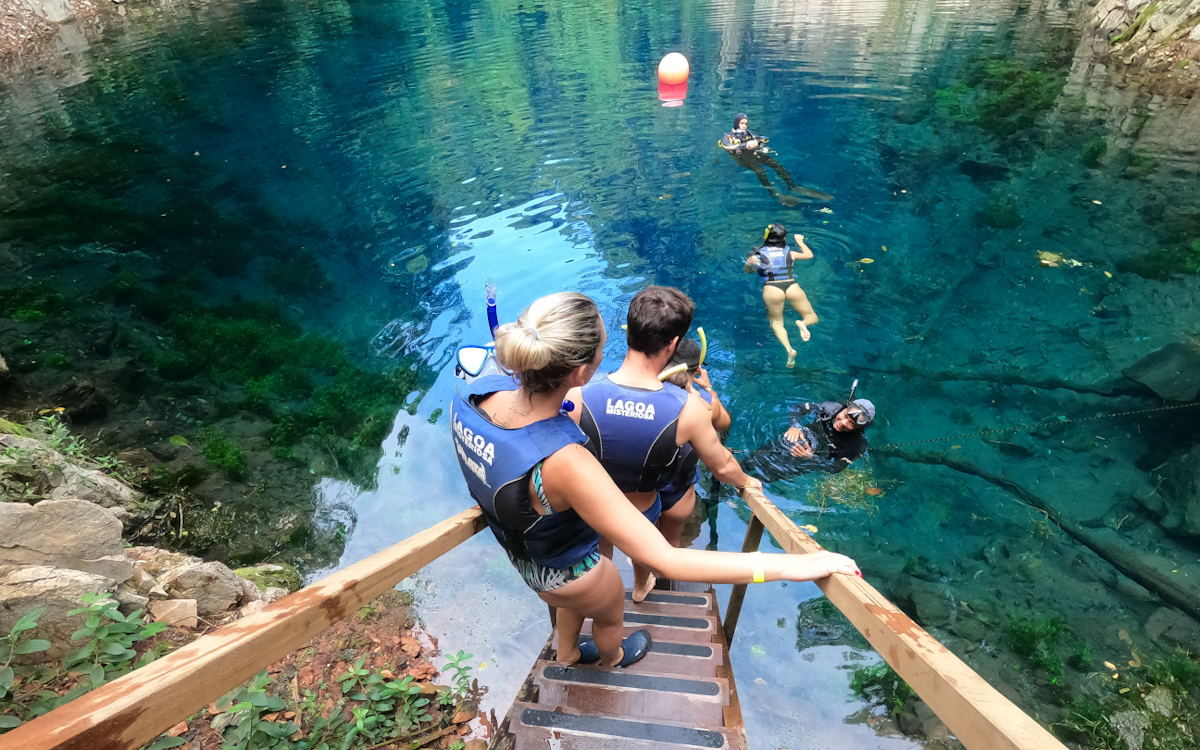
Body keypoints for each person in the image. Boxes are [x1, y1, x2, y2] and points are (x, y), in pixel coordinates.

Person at [450, 291, 860, 670]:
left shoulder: (472, 396)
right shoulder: (567, 463)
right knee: (609, 613)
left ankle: (568, 651)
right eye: (601, 350)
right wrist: (793, 565)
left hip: (522, 553)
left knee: (574, 605)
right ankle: (612, 659)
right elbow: (668, 559)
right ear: (580, 372)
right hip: (571, 573)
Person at [566, 287, 760, 602]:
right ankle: (641, 587)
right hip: (642, 507)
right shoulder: (688, 409)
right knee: (645, 548)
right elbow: (722, 465)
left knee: (599, 552)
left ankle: (601, 595)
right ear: (673, 344)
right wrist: (747, 482)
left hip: (594, 503)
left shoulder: (579, 393)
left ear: (629, 331)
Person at [658, 338, 730, 548]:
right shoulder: (705, 403)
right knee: (675, 541)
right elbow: (724, 424)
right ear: (697, 368)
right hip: (679, 490)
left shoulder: (646, 391)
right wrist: (709, 389)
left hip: (640, 487)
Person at [741, 397, 875, 483]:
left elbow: (836, 468)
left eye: (851, 423)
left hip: (805, 461)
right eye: (845, 415)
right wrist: (795, 426)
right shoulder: (830, 408)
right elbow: (797, 408)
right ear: (845, 407)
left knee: (759, 480)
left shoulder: (857, 444)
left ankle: (731, 496)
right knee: (748, 462)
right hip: (791, 441)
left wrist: (811, 458)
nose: (843, 423)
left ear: (859, 427)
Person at [744, 223, 820, 369]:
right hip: (792, 286)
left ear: (766, 237)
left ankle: (789, 350)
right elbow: (809, 255)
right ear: (784, 238)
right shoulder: (790, 253)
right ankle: (803, 324)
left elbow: (748, 270)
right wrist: (800, 242)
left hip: (772, 289)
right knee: (812, 317)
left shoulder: (756, 257)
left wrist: (753, 263)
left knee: (777, 323)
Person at [720, 113, 831, 206]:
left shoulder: (748, 134)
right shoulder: (728, 137)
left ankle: (792, 185)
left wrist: (756, 142)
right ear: (736, 123)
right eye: (742, 123)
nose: (744, 126)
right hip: (744, 159)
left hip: (754, 154)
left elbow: (764, 139)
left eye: (746, 123)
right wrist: (746, 144)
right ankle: (774, 193)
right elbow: (727, 146)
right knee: (760, 171)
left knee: (775, 164)